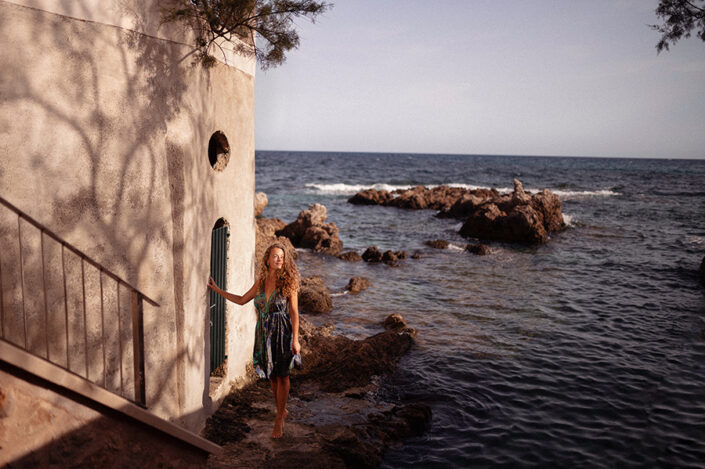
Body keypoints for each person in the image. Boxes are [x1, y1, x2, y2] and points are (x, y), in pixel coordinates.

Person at [207, 242, 301, 438]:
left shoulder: (289, 282)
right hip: (264, 334)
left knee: (283, 375)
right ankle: (281, 409)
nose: (279, 259)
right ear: (267, 260)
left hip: (283, 332)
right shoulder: (261, 281)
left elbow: (294, 313)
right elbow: (242, 300)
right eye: (275, 256)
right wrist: (218, 290)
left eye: (282, 256)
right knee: (272, 376)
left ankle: (279, 419)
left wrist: (296, 339)